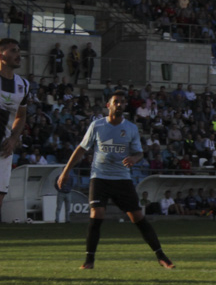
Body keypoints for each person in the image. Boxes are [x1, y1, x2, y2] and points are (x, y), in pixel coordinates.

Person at [57, 90, 174, 270]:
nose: (119, 104)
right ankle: (89, 260)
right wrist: (66, 171)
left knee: (137, 217)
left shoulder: (131, 128)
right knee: (97, 214)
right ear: (109, 105)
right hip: (100, 177)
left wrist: (135, 159)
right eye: (116, 101)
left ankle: (161, 256)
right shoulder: (97, 125)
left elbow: (139, 153)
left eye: (122, 102)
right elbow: (81, 149)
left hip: (121, 179)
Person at [0, 39, 29, 218]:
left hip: (4, 149)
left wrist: (13, 138)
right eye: (12, 51)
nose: (18, 55)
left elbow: (21, 116)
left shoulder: (23, 85)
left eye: (19, 51)